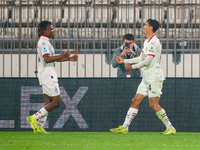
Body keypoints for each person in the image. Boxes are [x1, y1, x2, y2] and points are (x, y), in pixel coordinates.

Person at [110, 19, 176, 135]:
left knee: (153, 104)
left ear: (151, 28)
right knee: (135, 100)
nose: (144, 27)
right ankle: (125, 127)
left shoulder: (154, 42)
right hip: (146, 77)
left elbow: (147, 61)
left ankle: (170, 127)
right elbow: (141, 58)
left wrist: (133, 67)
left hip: (154, 77)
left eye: (146, 25)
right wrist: (124, 60)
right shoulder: (147, 42)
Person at [26, 20, 78, 134]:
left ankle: (39, 126)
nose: (53, 30)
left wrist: (69, 59)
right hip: (48, 74)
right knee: (57, 102)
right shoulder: (43, 43)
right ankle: (33, 118)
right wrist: (64, 55)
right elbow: (47, 59)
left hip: (46, 73)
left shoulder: (46, 42)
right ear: (44, 30)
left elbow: (53, 58)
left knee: (48, 101)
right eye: (51, 28)